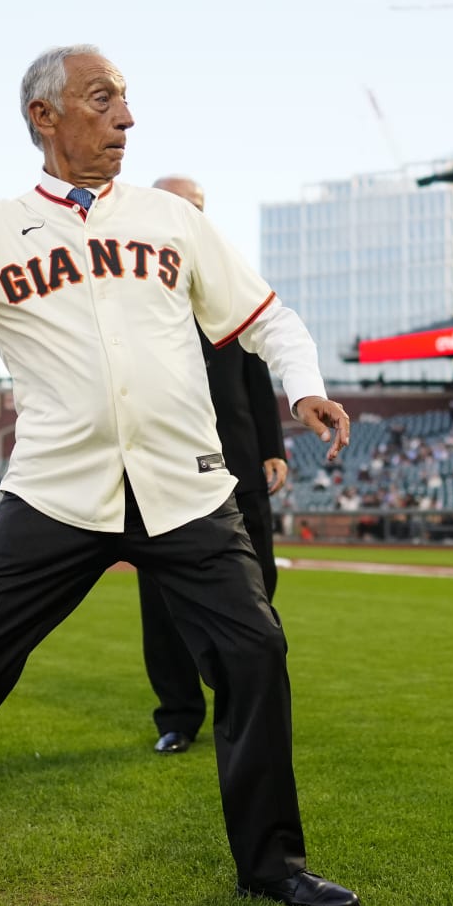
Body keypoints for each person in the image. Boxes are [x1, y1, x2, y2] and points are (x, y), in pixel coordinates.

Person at [0, 40, 359, 906]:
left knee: (256, 653)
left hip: (186, 487)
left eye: (126, 101)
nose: (126, 118)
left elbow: (269, 317)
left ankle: (273, 865)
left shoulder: (173, 221)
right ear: (45, 116)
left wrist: (305, 391)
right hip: (57, 491)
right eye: (103, 101)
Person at [138, 174, 291, 756]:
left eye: (199, 207)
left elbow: (257, 369)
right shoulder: (129, 279)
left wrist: (272, 446)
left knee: (257, 589)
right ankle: (177, 715)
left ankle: (247, 704)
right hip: (165, 470)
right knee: (162, 602)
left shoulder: (225, 275)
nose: (193, 216)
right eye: (182, 206)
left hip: (240, 464)